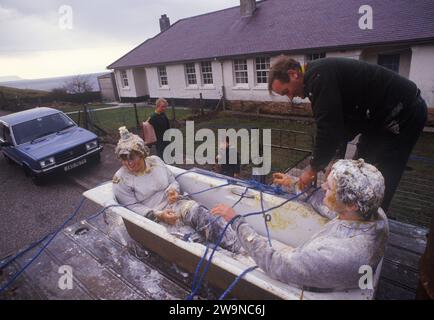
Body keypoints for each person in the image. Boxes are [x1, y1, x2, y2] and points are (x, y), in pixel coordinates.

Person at [268, 56, 428, 214]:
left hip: (404, 112)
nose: (290, 97)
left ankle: (371, 224)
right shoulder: (317, 78)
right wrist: (334, 160)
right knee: (358, 170)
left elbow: (327, 129)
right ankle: (354, 216)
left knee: (380, 174)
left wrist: (313, 169)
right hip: (377, 119)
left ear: (293, 74)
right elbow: (340, 124)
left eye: (286, 91)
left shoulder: (319, 76)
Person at [212, 159, 389, 290]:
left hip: (290, 281)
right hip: (309, 266)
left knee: (209, 225)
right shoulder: (372, 215)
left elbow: (274, 263)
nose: (323, 185)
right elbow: (325, 204)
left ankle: (185, 207)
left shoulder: (340, 255)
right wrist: (294, 183)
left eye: (330, 186)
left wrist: (236, 221)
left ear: (351, 204)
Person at [111, 126, 242, 253]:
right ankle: (233, 262)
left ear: (141, 153)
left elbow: (173, 181)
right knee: (191, 238)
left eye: (132, 157)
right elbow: (131, 208)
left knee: (201, 214)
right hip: (155, 218)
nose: (129, 163)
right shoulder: (121, 179)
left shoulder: (156, 161)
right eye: (124, 158)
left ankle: (238, 247)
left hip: (176, 204)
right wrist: (159, 215)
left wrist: (172, 191)